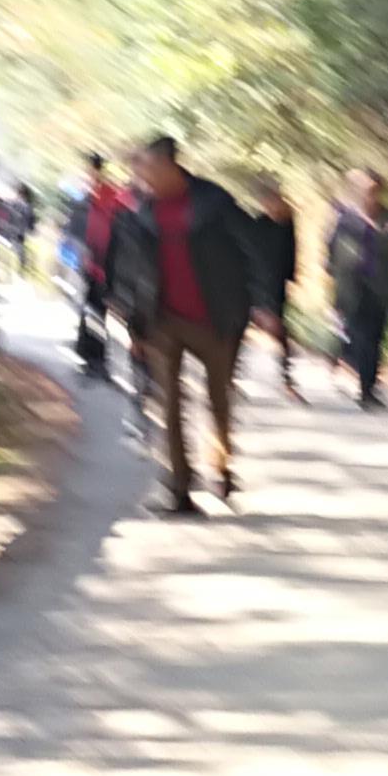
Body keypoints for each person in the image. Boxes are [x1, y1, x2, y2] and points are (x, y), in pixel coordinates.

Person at [106, 132, 256, 514]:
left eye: (148, 167)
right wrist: (129, 319)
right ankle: (179, 489)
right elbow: (127, 269)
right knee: (168, 405)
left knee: (218, 400)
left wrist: (261, 306)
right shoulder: (137, 212)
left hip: (215, 318)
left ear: (170, 164)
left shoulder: (214, 202)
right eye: (138, 168)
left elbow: (251, 251)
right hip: (161, 321)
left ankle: (220, 468)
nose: (142, 175)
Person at [324, 167, 388, 410]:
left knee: (376, 339)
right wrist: (333, 280)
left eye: (373, 190)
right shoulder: (343, 218)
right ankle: (365, 389)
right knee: (361, 337)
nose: (369, 194)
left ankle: (368, 388)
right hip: (352, 289)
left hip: (381, 289)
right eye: (364, 189)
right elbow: (331, 252)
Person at [244, 175, 308, 403]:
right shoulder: (257, 225)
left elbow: (292, 253)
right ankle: (231, 379)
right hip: (254, 286)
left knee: (280, 335)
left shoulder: (287, 223)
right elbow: (251, 260)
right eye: (270, 199)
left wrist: (292, 277)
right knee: (241, 332)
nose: (275, 203)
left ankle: (286, 379)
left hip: (276, 286)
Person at [69, 152, 128, 385]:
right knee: (92, 312)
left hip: (107, 265)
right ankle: (92, 359)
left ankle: (95, 359)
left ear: (97, 170)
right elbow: (77, 229)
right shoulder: (87, 199)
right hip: (91, 265)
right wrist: (81, 253)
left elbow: (118, 228)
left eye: (90, 170)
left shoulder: (109, 195)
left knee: (97, 312)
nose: (87, 175)